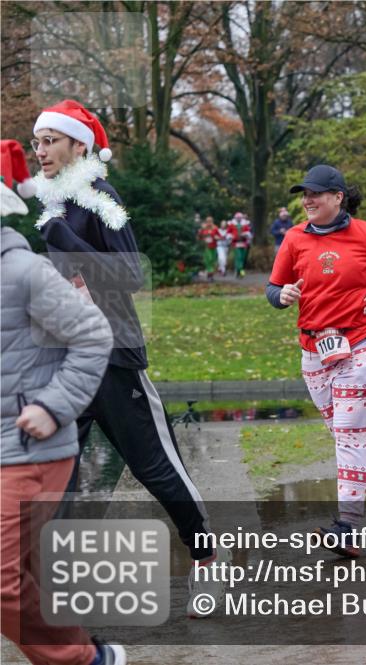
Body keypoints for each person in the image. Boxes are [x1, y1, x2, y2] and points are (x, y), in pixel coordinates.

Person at [29, 99, 228, 617]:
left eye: (50, 140)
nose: (40, 151)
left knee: (155, 467)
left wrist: (64, 238)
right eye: (37, 142)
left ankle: (208, 558)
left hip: (112, 357)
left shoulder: (98, 197)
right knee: (56, 473)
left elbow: (131, 275)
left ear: (79, 146)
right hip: (64, 361)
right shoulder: (54, 202)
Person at [267, 164, 366, 553]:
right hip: (314, 350)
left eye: (315, 194)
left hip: (362, 343)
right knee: (346, 433)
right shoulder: (294, 238)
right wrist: (281, 296)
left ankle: (347, 526)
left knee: (348, 433)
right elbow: (274, 287)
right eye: (305, 194)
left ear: (337, 197)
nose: (307, 200)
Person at [1, 223, 125, 664]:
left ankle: (83, 659)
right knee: (27, 574)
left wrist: (53, 407)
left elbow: (94, 335)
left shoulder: (24, 271)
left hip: (28, 451)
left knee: (4, 579)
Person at [197, 215, 219, 281]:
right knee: (209, 259)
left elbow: (219, 236)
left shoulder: (215, 228)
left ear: (212, 222)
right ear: (206, 222)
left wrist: (217, 238)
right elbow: (199, 237)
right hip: (206, 247)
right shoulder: (203, 228)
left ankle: (210, 274)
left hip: (214, 246)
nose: (209, 223)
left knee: (213, 260)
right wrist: (200, 234)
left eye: (210, 221)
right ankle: (210, 275)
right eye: (208, 221)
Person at [232, 211, 253, 278]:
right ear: (235, 218)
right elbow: (229, 233)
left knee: (243, 257)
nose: (238, 219)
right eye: (237, 218)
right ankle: (241, 270)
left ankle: (238, 271)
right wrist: (231, 236)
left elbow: (249, 233)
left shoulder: (245, 224)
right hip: (236, 243)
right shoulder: (232, 224)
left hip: (243, 243)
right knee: (238, 257)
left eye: (240, 217)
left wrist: (245, 234)